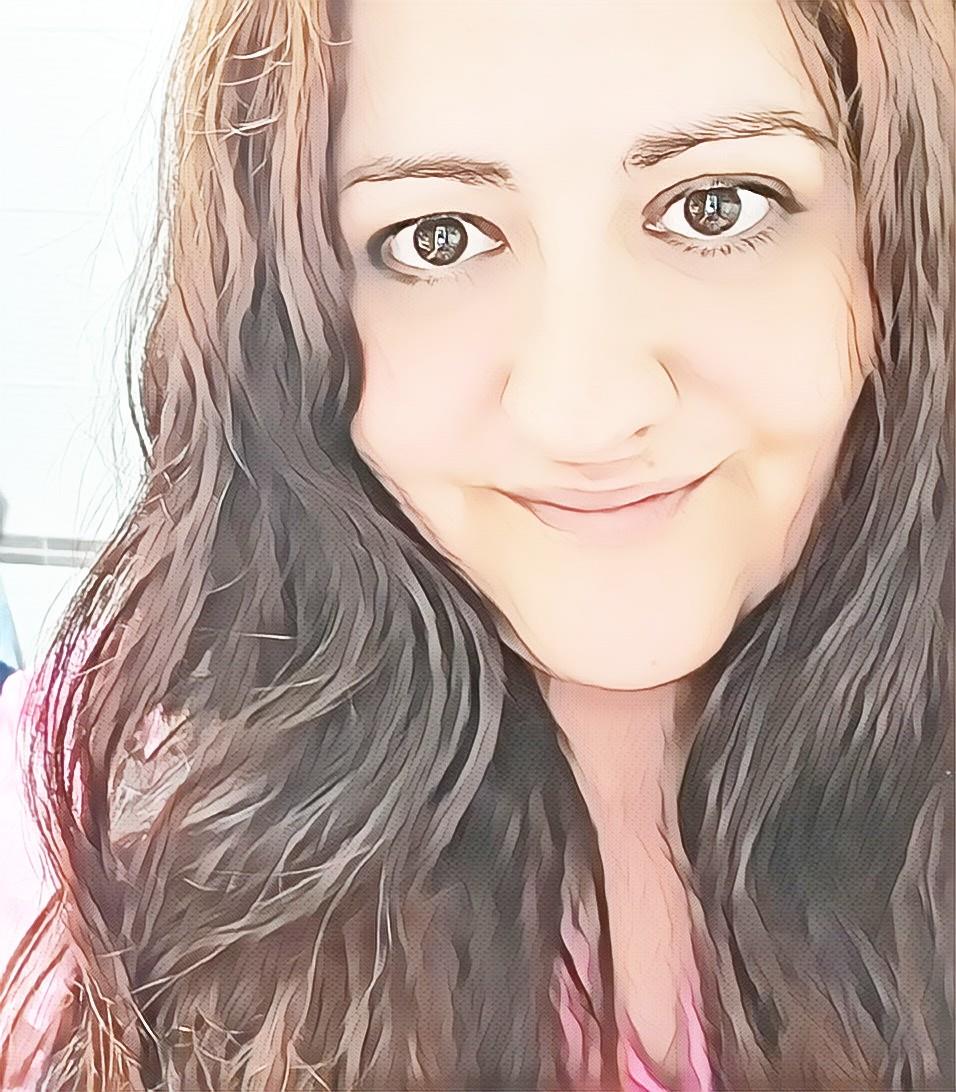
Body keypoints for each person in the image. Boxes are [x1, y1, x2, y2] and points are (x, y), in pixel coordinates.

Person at [0, 1, 952, 1089]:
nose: (584, 410)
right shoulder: (92, 824)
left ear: (899, 244)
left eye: (714, 205)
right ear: (288, 320)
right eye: (436, 238)